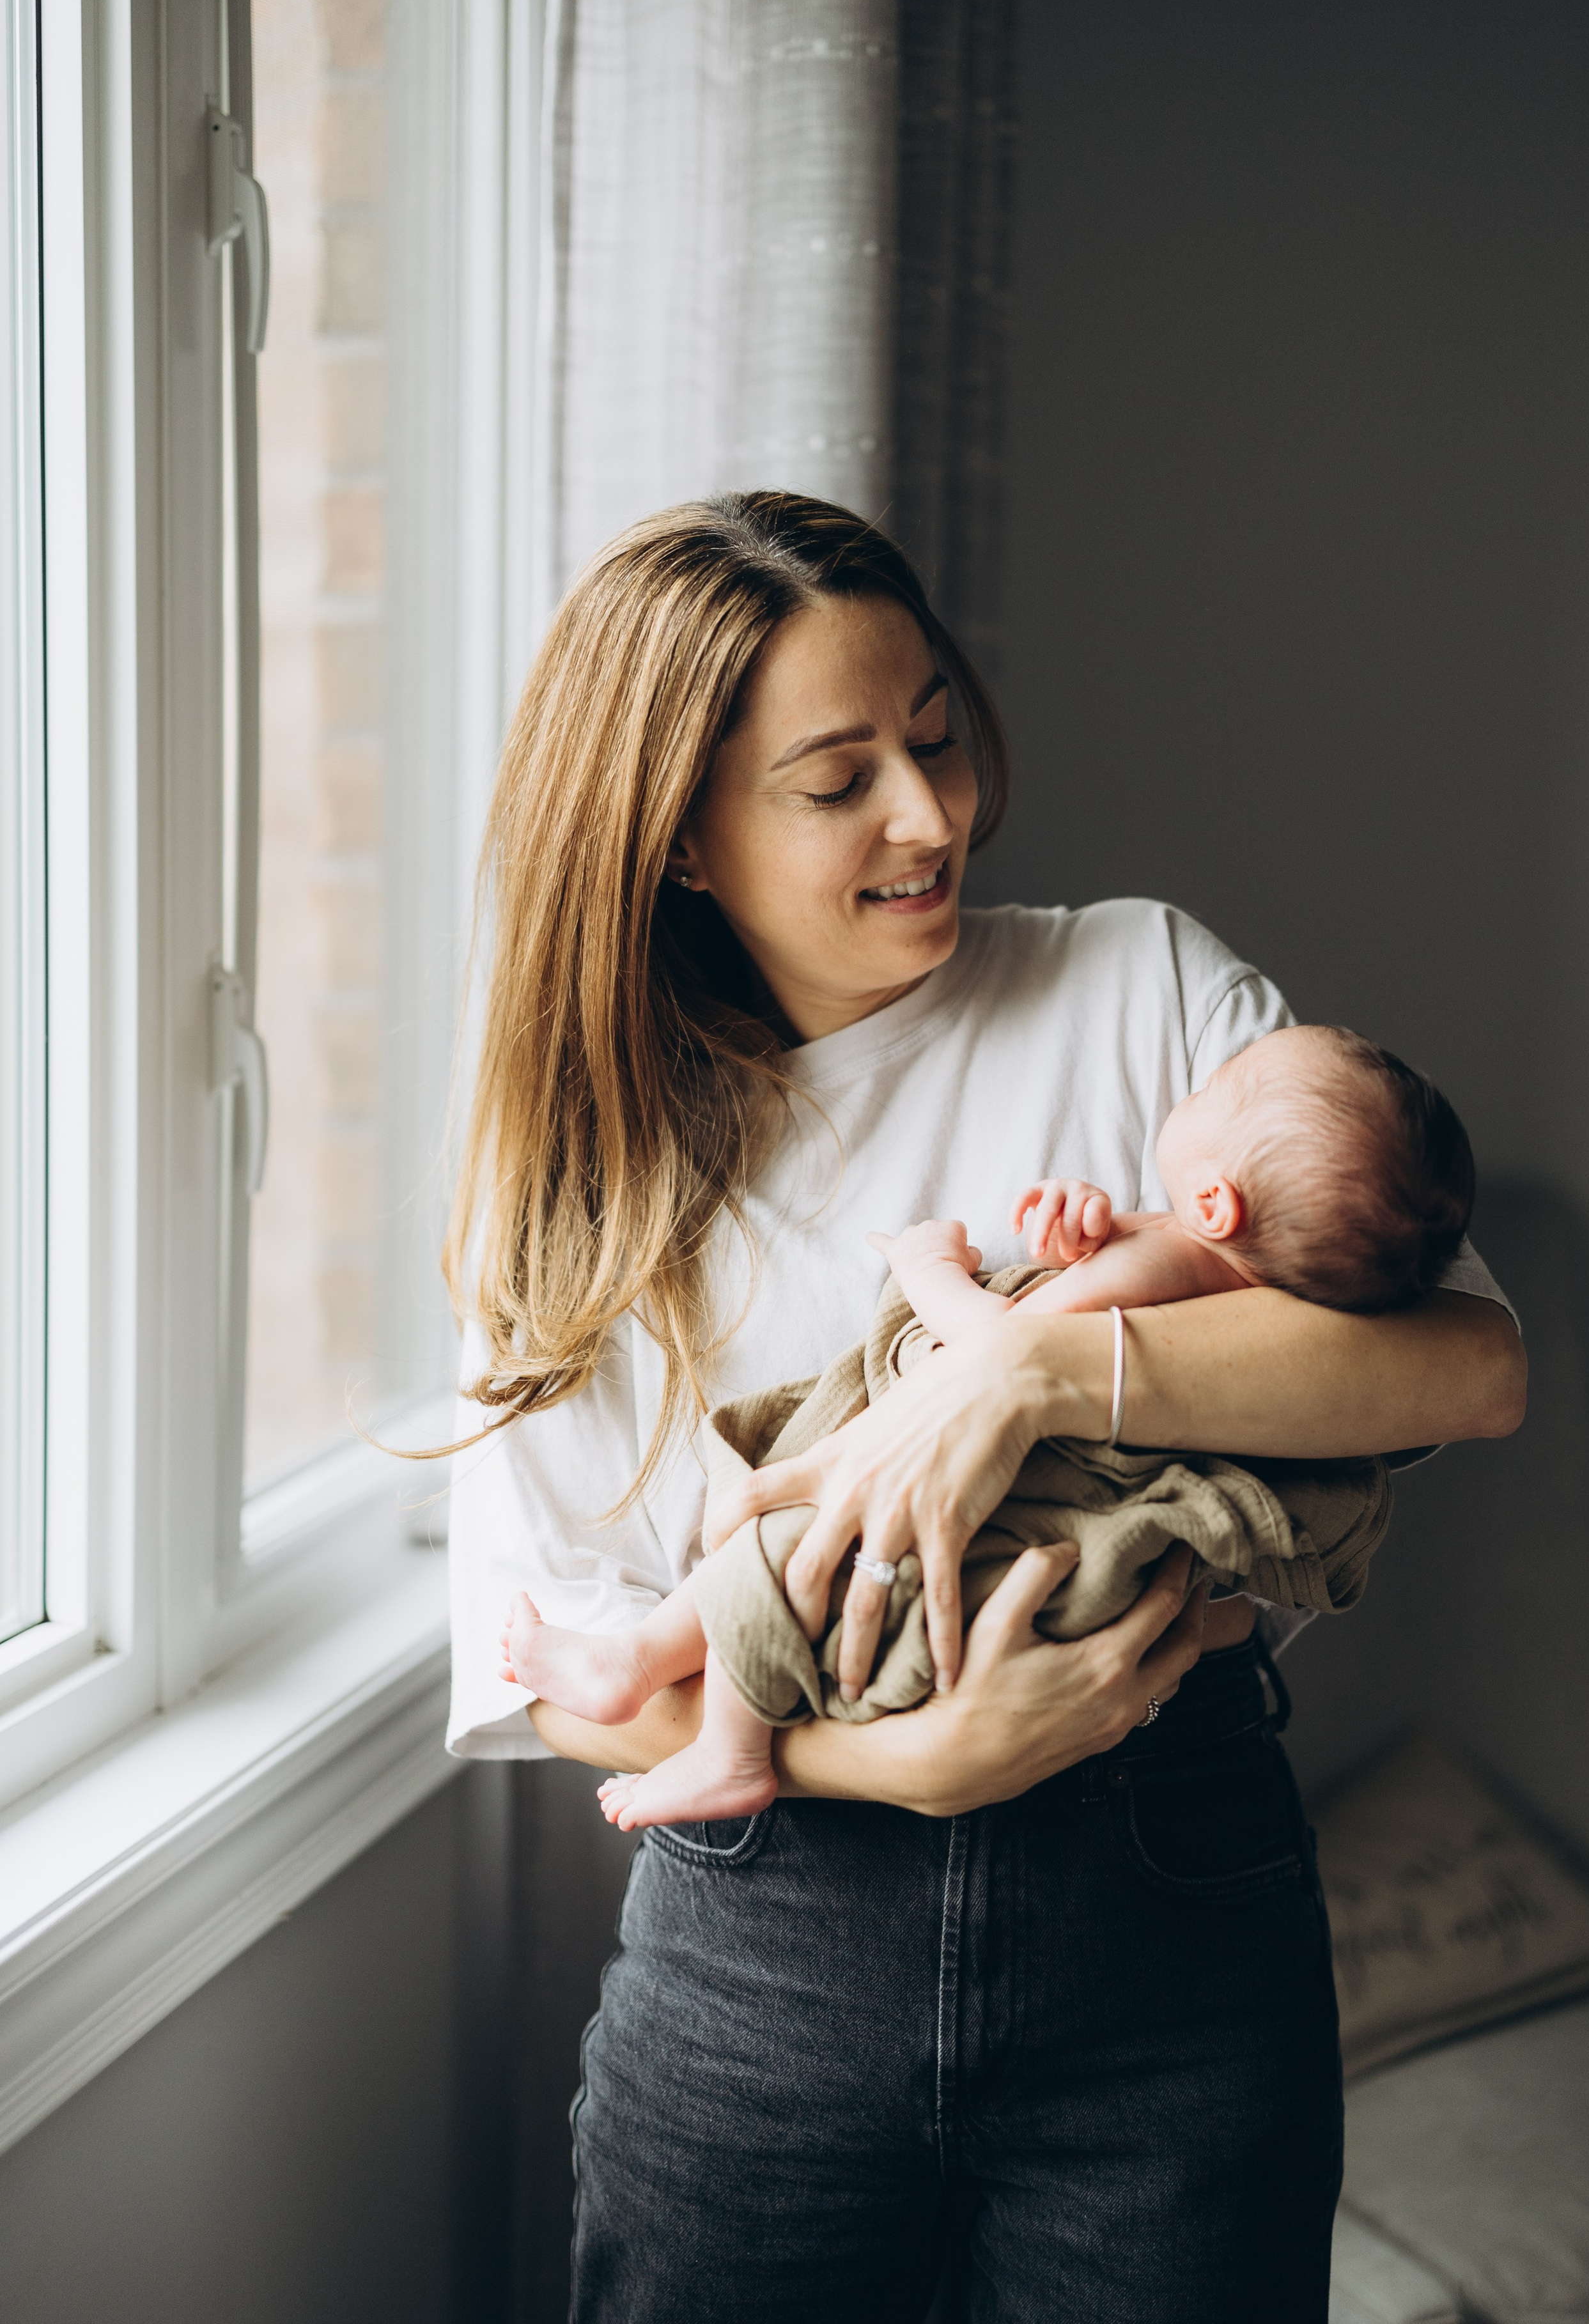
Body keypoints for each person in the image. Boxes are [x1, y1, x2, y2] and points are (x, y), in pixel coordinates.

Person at [443, 491, 1524, 2323]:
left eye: (936, 738)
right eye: (838, 779)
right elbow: (557, 1670)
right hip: (768, 1947)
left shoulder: (1136, 985)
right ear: (681, 839)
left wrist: (1026, 1372)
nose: (931, 816)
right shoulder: (581, 1182)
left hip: (1164, 1929)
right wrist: (904, 1764)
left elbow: (1467, 1365)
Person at [495, 1022, 1477, 1838]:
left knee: (790, 1555)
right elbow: (1111, 1290)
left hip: (1011, 1507)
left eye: (1223, 1086)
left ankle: (713, 1733)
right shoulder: (1221, 1268)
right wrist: (1087, 1223)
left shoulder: (1168, 1266)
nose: (1205, 1082)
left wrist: (928, 1271)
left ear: (1216, 1202)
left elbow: (1005, 1347)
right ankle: (658, 1678)